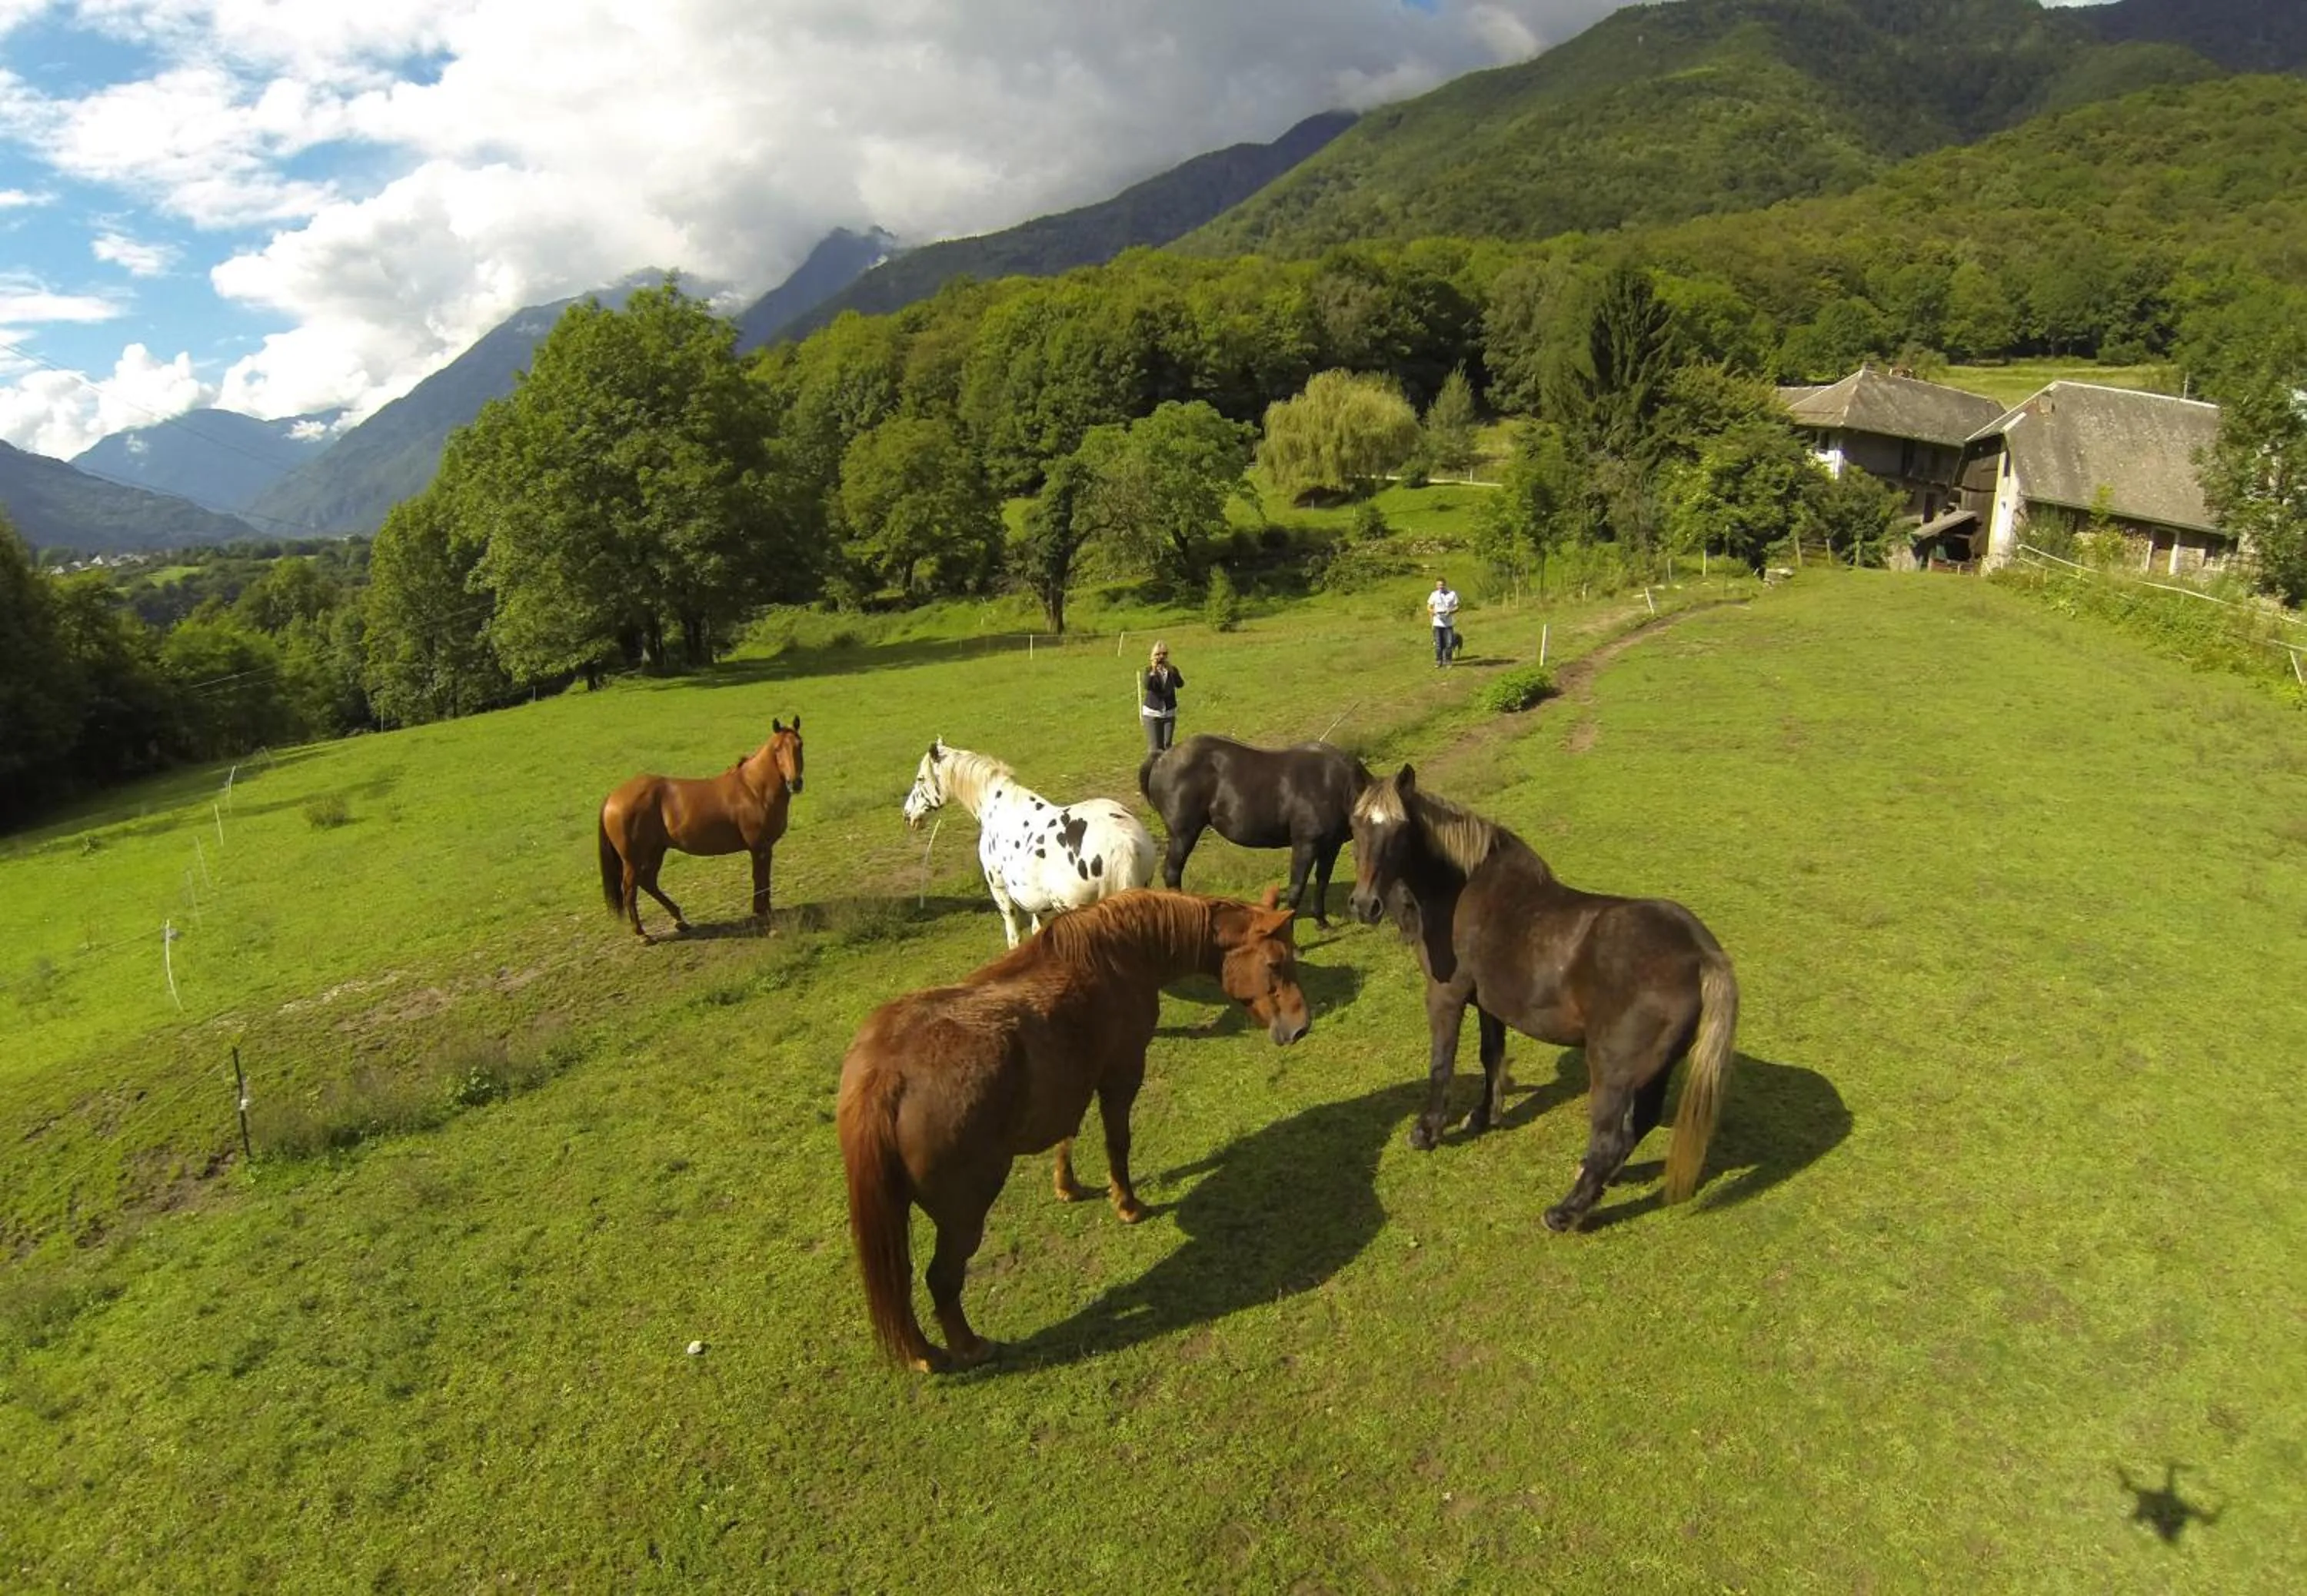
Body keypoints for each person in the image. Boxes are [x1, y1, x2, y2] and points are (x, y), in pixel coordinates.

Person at [1140, 640, 1183, 754]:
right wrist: (1154, 671)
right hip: (1152, 713)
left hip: (1169, 712)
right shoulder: (1149, 671)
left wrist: (1173, 672)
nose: (1161, 657)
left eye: (1164, 654)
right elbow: (1147, 685)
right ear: (1153, 656)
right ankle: (1153, 770)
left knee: (1167, 745)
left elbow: (1180, 684)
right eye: (1158, 654)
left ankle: (1166, 770)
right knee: (1155, 748)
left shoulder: (1172, 670)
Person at [1426, 577, 1460, 667]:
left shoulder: (1452, 594)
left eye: (1442, 585)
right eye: (1439, 585)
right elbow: (1429, 607)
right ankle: (1439, 661)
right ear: (1436, 586)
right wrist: (1433, 612)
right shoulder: (1434, 595)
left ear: (1445, 584)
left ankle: (1448, 661)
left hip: (1448, 624)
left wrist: (1451, 611)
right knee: (1438, 644)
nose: (1440, 587)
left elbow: (1457, 607)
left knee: (1449, 644)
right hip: (1437, 623)